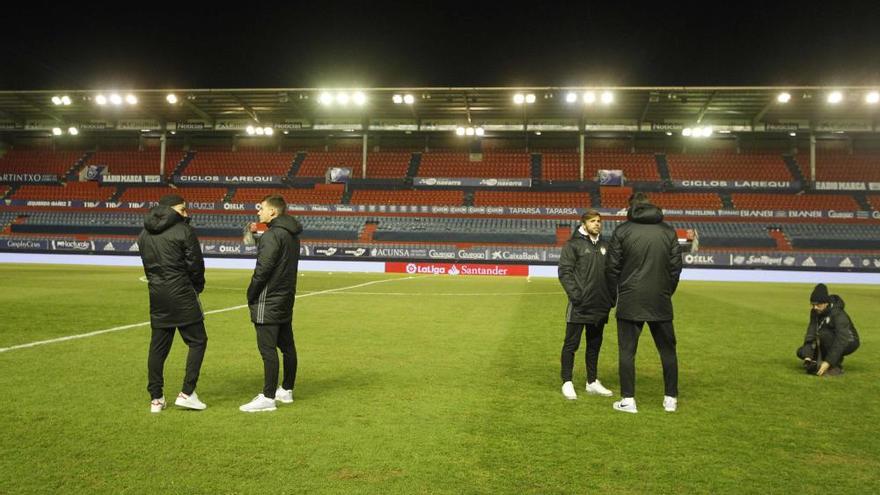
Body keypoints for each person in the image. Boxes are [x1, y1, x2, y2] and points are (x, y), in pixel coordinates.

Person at [606, 192, 682, 414]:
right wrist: (667, 292)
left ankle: (628, 400)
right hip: (660, 300)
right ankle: (671, 399)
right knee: (668, 351)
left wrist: (616, 294)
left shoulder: (622, 230)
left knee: (627, 351)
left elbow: (611, 268)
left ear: (631, 207)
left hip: (630, 299)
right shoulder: (668, 231)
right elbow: (676, 267)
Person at [138, 194, 208, 413]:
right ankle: (187, 393)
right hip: (182, 294)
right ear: (169, 210)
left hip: (157, 295)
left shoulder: (144, 233)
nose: (186, 213)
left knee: (158, 347)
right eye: (182, 209)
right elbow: (195, 264)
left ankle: (156, 399)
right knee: (198, 341)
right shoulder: (184, 231)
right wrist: (196, 287)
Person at [240, 194, 304, 413]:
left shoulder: (272, 235)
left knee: (268, 349)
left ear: (273, 212)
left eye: (262, 209)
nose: (258, 212)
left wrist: (251, 293)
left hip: (268, 300)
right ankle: (286, 390)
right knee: (287, 347)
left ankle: (268, 398)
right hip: (285, 298)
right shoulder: (292, 235)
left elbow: (263, 269)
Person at [557, 209, 614, 400]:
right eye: (592, 221)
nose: (597, 224)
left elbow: (612, 273)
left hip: (600, 304)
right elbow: (565, 272)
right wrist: (576, 296)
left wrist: (610, 297)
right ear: (584, 224)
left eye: (599, 221)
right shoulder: (573, 245)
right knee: (571, 344)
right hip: (580, 305)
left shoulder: (606, 245)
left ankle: (592, 382)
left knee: (594, 345)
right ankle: (567, 381)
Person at [797, 283, 860, 376]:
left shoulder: (838, 314)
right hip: (829, 338)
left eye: (818, 304)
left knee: (823, 334)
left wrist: (828, 362)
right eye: (813, 304)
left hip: (849, 341)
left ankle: (834, 366)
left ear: (826, 303)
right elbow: (811, 330)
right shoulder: (815, 311)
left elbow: (841, 338)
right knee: (801, 352)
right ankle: (817, 362)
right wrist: (808, 354)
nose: (815, 307)